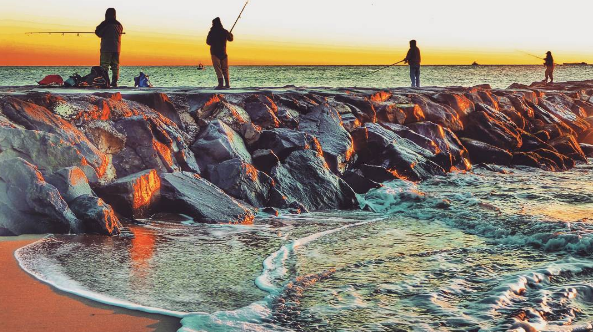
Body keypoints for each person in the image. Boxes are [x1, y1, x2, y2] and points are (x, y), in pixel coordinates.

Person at [95, 8, 124, 87]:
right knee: (115, 66)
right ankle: (114, 82)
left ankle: (105, 82)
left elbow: (98, 32)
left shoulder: (105, 23)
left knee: (104, 65)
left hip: (106, 48)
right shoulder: (119, 25)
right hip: (117, 48)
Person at [206, 17, 234, 89]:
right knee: (225, 69)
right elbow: (231, 39)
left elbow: (208, 42)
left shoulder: (212, 32)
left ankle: (220, 84)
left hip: (215, 53)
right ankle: (227, 84)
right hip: (223, 53)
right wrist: (230, 34)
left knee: (218, 69)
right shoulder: (224, 31)